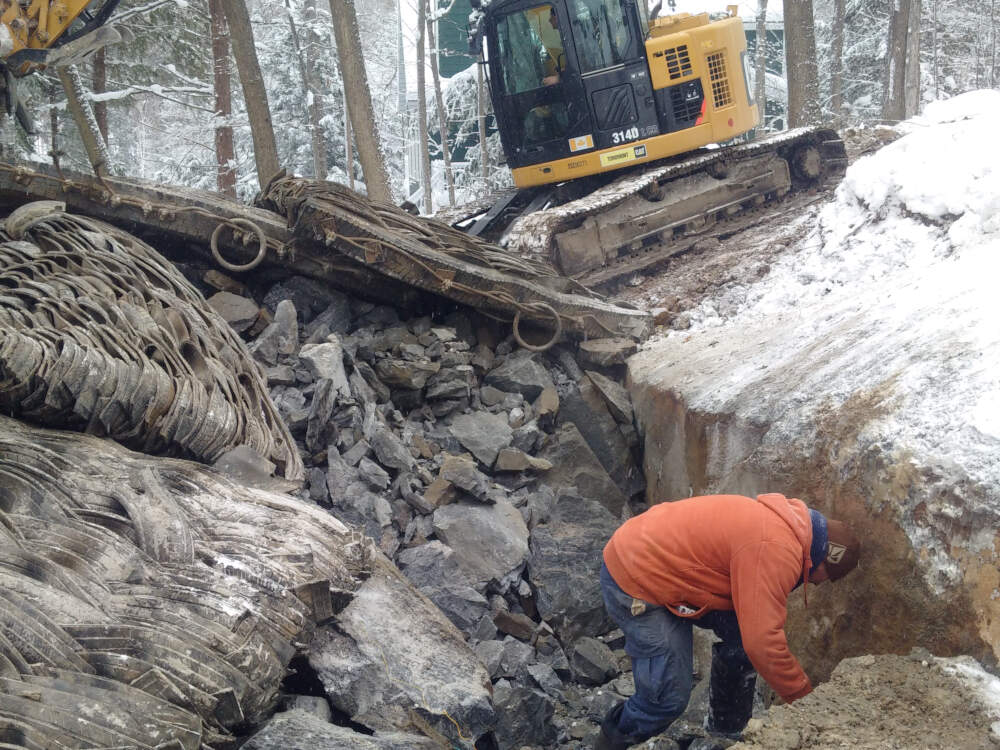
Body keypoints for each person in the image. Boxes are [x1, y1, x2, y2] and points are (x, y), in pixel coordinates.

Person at [595, 493, 861, 750]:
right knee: (665, 700)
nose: (819, 583)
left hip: (665, 561)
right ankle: (612, 740)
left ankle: (726, 733)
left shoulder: (788, 529)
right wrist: (805, 701)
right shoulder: (775, 549)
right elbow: (763, 643)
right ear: (825, 560)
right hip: (637, 573)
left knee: (742, 636)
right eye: (827, 576)